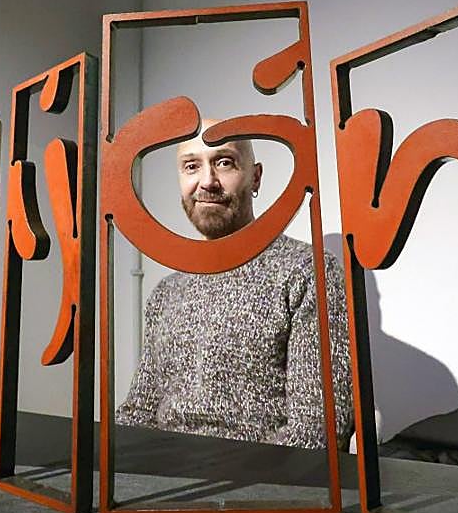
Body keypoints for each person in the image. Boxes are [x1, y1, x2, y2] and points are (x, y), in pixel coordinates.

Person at [115, 120, 353, 450]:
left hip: (259, 485)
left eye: (224, 162)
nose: (207, 182)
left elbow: (321, 427)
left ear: (255, 177)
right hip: (163, 480)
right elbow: (138, 412)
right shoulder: (166, 292)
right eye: (191, 166)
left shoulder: (305, 271)